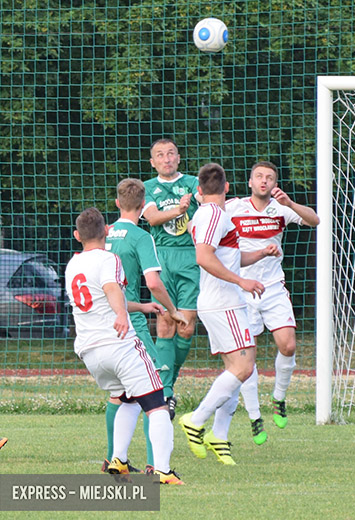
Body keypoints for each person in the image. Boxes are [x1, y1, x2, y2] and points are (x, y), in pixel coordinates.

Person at [65, 207, 182, 484]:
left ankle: (118, 460)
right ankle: (163, 471)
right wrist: (121, 315)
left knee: (127, 398)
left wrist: (141, 307)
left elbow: (99, 298)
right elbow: (111, 289)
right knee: (158, 404)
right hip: (117, 344)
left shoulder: (73, 264)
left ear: (76, 235)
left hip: (90, 351)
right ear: (106, 231)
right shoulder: (109, 258)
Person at [177, 163, 272, 465]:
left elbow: (226, 257)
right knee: (244, 368)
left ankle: (219, 435)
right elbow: (204, 257)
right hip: (223, 301)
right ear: (228, 188)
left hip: (223, 300)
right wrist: (242, 281)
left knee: (237, 369)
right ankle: (197, 419)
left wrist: (260, 253)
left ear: (199, 191)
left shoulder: (208, 214)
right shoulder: (214, 215)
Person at [223, 161, 320, 443]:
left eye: (269, 177)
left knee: (288, 345)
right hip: (242, 290)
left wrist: (290, 202)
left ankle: (279, 398)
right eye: (259, 176)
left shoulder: (281, 207)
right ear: (250, 182)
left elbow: (314, 220)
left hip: (274, 288)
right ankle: (254, 416)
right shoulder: (233, 208)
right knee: (246, 358)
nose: (264, 181)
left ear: (275, 183)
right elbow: (206, 219)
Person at [104, 178, 188, 473]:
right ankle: (157, 466)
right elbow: (153, 282)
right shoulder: (141, 237)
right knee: (157, 392)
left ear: (117, 203)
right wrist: (172, 309)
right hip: (131, 322)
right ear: (142, 207)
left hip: (104, 322)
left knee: (122, 393)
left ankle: (114, 458)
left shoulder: (104, 234)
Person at [142, 138, 200, 418]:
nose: (166, 159)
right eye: (160, 155)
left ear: (178, 157)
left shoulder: (192, 183)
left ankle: (168, 383)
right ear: (152, 162)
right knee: (164, 324)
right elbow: (152, 218)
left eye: (171, 154)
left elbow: (211, 204)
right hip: (161, 259)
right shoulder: (147, 188)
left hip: (190, 257)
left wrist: (196, 201)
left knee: (186, 328)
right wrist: (178, 209)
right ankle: (165, 394)